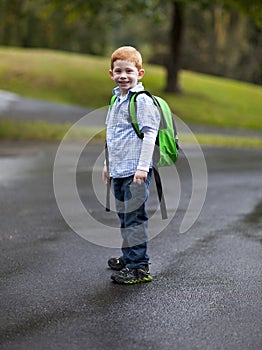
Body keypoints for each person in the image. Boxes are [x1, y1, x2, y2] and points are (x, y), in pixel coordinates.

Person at [102, 46, 160, 285]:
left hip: (135, 171)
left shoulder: (142, 101)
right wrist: (108, 164)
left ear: (140, 73)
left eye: (129, 70)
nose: (123, 75)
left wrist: (143, 168)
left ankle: (139, 267)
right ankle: (129, 258)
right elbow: (112, 136)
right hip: (119, 169)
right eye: (118, 71)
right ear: (111, 73)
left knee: (135, 218)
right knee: (125, 216)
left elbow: (149, 135)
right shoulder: (117, 99)